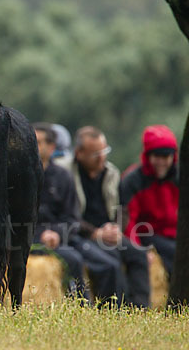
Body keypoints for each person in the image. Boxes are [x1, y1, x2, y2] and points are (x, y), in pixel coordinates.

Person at [63, 126, 150, 308]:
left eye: (104, 151)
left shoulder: (112, 173)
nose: (102, 157)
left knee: (138, 255)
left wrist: (117, 228)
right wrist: (95, 233)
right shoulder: (66, 175)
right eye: (96, 154)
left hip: (109, 233)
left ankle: (141, 309)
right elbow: (67, 214)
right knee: (111, 260)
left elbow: (123, 208)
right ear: (79, 153)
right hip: (81, 235)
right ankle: (115, 311)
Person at [32, 123, 90, 301]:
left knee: (106, 259)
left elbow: (72, 218)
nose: (34, 146)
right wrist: (40, 235)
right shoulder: (17, 177)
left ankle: (110, 307)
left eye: (39, 142)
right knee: (73, 259)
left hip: (60, 239)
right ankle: (81, 307)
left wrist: (56, 233)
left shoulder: (63, 177)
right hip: (26, 240)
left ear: (52, 147)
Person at [120, 124, 179, 277]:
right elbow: (129, 222)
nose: (161, 162)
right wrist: (138, 251)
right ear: (148, 156)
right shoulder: (133, 181)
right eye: (156, 157)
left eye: (165, 157)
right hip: (148, 234)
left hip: (174, 234)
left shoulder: (179, 178)